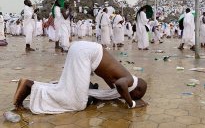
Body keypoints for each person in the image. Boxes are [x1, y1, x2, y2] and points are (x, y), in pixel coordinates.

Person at [13, 41, 147, 114]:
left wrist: (115, 95)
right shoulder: (129, 79)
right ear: (138, 89)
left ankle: (29, 85)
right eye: (136, 96)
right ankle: (30, 86)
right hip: (86, 54)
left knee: (68, 87)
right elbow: (121, 86)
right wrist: (131, 104)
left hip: (82, 49)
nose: (132, 96)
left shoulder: (122, 76)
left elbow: (114, 85)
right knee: (77, 102)